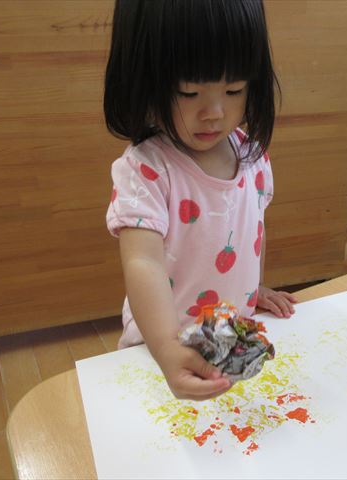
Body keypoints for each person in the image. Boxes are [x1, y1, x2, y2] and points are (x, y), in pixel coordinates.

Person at [103, 0, 296, 400]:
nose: (214, 112)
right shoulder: (147, 170)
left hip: (227, 340)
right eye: (189, 92)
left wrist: (253, 287)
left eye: (234, 89)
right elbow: (142, 262)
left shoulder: (253, 157)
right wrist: (166, 348)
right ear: (145, 83)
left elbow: (252, 230)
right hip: (161, 352)